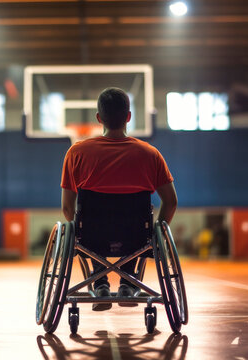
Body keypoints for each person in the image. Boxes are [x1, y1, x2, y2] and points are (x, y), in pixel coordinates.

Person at [61, 87, 178, 311]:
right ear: (128, 117)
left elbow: (67, 208)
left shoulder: (76, 153)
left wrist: (81, 230)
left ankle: (99, 282)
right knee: (140, 231)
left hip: (91, 238)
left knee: (86, 230)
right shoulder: (150, 154)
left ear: (98, 118)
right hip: (136, 237)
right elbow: (170, 202)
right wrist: (156, 232)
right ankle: (128, 283)